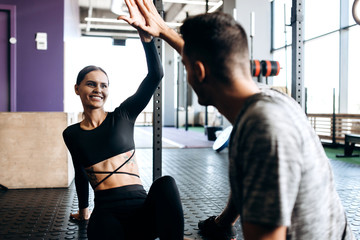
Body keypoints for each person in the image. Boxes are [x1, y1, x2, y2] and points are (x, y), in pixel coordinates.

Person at [119, 0, 355, 239]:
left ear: (199, 72)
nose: (188, 74)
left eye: (185, 67)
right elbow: (209, 61)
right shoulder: (272, 99)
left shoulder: (262, 129)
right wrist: (165, 31)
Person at [62, 11, 185, 240]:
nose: (98, 89)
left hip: (142, 211)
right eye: (91, 84)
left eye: (103, 85)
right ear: (77, 88)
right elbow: (80, 172)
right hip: (107, 215)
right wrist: (84, 210)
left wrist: (146, 40)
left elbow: (155, 75)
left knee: (166, 183)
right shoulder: (71, 133)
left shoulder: (123, 115)